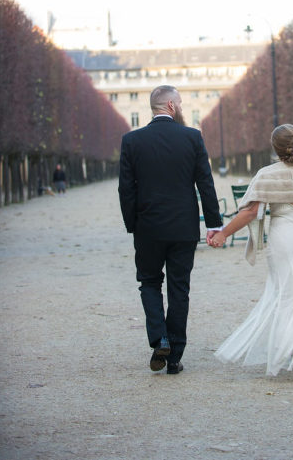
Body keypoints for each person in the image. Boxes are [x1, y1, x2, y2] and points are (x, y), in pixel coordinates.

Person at [209, 124, 293, 381]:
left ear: (275, 147)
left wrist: (223, 233)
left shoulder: (267, 175)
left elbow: (249, 212)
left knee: (287, 294)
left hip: (285, 236)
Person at [118, 85, 223, 375]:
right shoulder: (192, 137)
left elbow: (126, 189)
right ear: (173, 107)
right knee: (180, 289)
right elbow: (205, 184)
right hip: (183, 227)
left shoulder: (131, 141)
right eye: (180, 103)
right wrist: (214, 223)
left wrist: (132, 224)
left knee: (149, 283)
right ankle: (174, 357)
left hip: (148, 227)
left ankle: (159, 338)